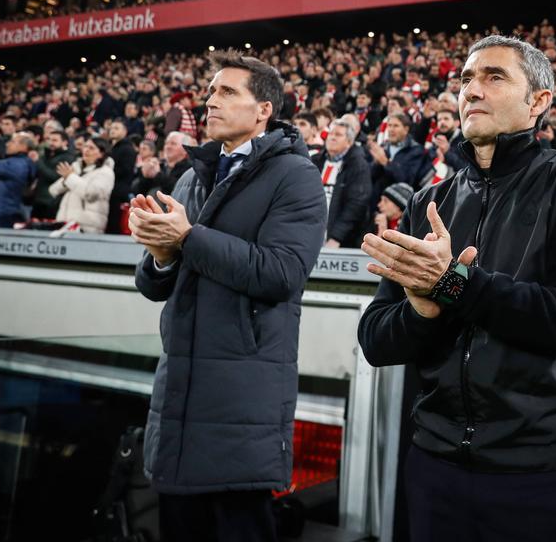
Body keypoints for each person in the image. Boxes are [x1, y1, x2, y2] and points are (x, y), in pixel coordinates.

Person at [357, 35, 556, 542]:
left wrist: (453, 284)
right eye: (466, 79)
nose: (472, 90)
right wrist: (422, 311)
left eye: (494, 77)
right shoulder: (428, 200)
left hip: (542, 474)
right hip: (435, 467)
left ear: (538, 101)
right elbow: (375, 340)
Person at [129, 50, 325, 541]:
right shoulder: (192, 177)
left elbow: (282, 273)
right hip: (180, 394)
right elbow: (156, 285)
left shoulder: (296, 176)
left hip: (241, 403)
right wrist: (161, 255)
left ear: (263, 110)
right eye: (211, 91)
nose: (210, 101)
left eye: (226, 92)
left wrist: (187, 239)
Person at [314, 118, 373, 248]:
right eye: (331, 134)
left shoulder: (358, 165)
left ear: (349, 142)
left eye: (338, 135)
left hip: (340, 242)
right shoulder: (315, 161)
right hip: (309, 235)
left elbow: (356, 204)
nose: (332, 138)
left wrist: (336, 236)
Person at [48, 137, 116, 234]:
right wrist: (67, 178)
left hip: (87, 228)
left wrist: (70, 177)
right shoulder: (76, 169)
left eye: (91, 148)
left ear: (102, 153)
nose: (86, 150)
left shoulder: (106, 172)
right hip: (65, 225)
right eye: (85, 147)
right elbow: (53, 190)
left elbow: (91, 193)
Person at [32, 128, 77, 220]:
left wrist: (38, 162)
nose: (51, 143)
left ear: (64, 142)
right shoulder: (46, 156)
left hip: (51, 202)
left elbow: (55, 177)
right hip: (39, 199)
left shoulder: (68, 158)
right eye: (49, 139)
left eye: (55, 140)